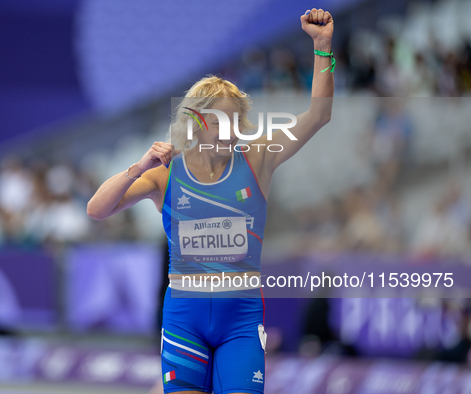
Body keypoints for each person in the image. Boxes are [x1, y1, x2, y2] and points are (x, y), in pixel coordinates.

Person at [88, 9, 334, 394]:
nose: (228, 132)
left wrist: (322, 47)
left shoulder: (258, 159)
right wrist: (137, 168)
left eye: (235, 123)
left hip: (241, 322)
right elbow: (96, 210)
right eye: (218, 122)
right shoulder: (163, 174)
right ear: (195, 123)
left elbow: (319, 114)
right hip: (185, 320)